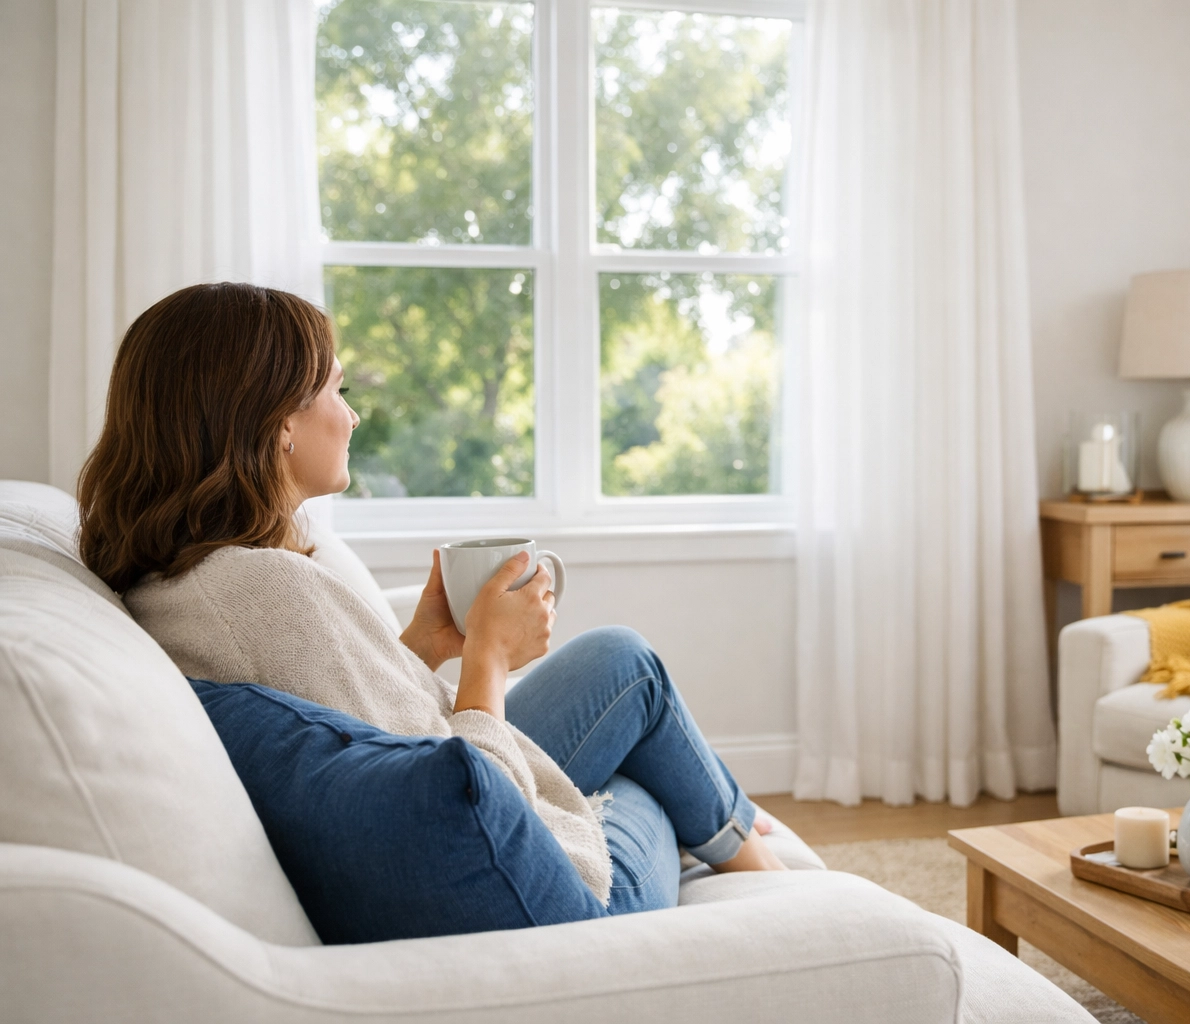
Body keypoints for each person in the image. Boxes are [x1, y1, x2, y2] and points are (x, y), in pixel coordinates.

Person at [77, 282, 784, 923]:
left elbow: (351, 724)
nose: (350, 417)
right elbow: (473, 800)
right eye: (334, 391)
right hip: (565, 898)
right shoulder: (263, 590)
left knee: (622, 661)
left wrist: (423, 646)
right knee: (648, 776)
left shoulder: (190, 576)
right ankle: (777, 888)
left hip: (426, 801)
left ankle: (737, 826)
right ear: (277, 421)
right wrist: (488, 661)